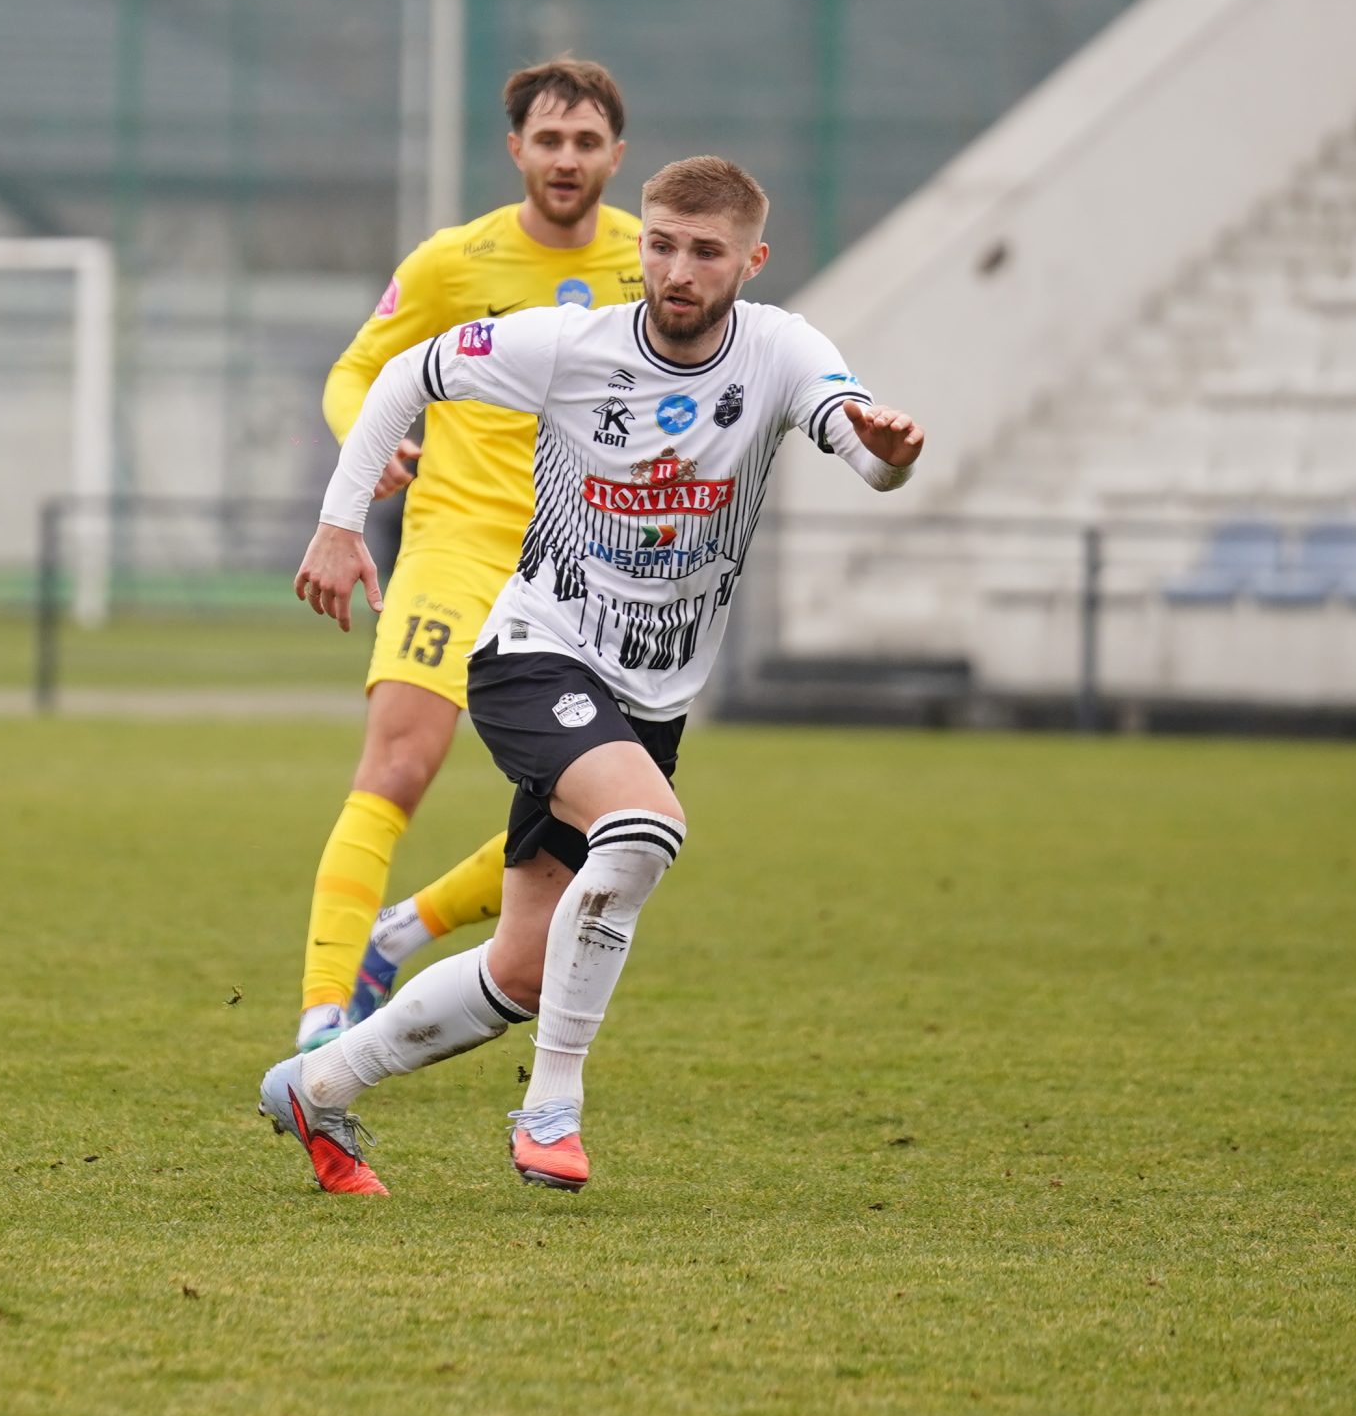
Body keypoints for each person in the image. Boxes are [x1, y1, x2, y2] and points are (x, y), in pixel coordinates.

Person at [264, 155, 926, 1195]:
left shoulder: (782, 350)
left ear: (751, 261)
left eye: (705, 252)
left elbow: (867, 449)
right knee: (646, 825)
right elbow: (406, 375)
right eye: (660, 244)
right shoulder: (572, 344)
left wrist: (890, 453)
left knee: (523, 970)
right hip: (535, 654)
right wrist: (341, 523)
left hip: (649, 698)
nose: (677, 270)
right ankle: (551, 1106)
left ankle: (318, 1084)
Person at [293, 57, 646, 1056]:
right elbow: (357, 369)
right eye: (549, 140)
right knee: (400, 764)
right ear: (516, 149)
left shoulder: (650, 259)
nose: (566, 158)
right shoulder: (455, 261)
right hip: (454, 542)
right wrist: (368, 445)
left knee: (604, 816)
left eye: (586, 142)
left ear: (616, 155)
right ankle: (321, 1017)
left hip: (584, 572)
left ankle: (399, 934)